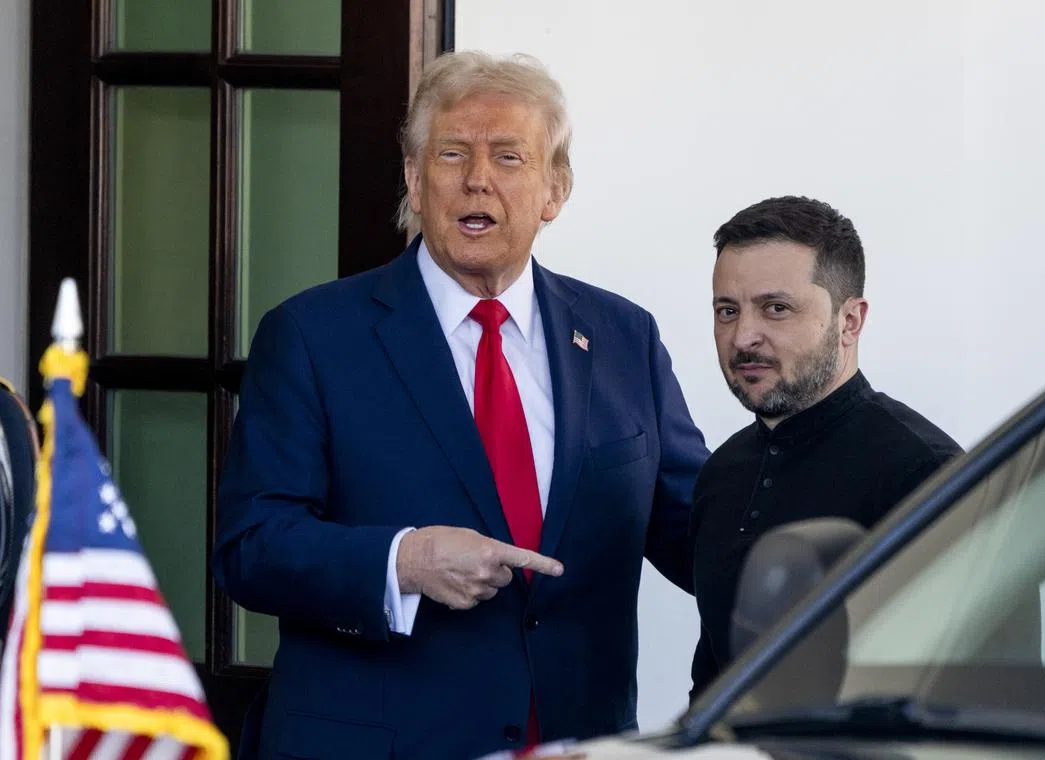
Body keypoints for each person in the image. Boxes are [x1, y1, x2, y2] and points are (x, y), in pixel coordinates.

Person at [212, 50, 709, 760]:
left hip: (575, 738)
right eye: (452, 154)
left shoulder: (623, 336)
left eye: (509, 157)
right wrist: (402, 562)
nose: (478, 179)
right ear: (416, 180)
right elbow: (250, 547)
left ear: (554, 189)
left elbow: (699, 530)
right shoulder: (312, 336)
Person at [689, 196, 962, 698]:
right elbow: (711, 682)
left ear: (850, 321)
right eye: (727, 310)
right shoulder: (721, 472)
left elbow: (954, 697)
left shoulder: (925, 475)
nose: (743, 336)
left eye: (776, 309)